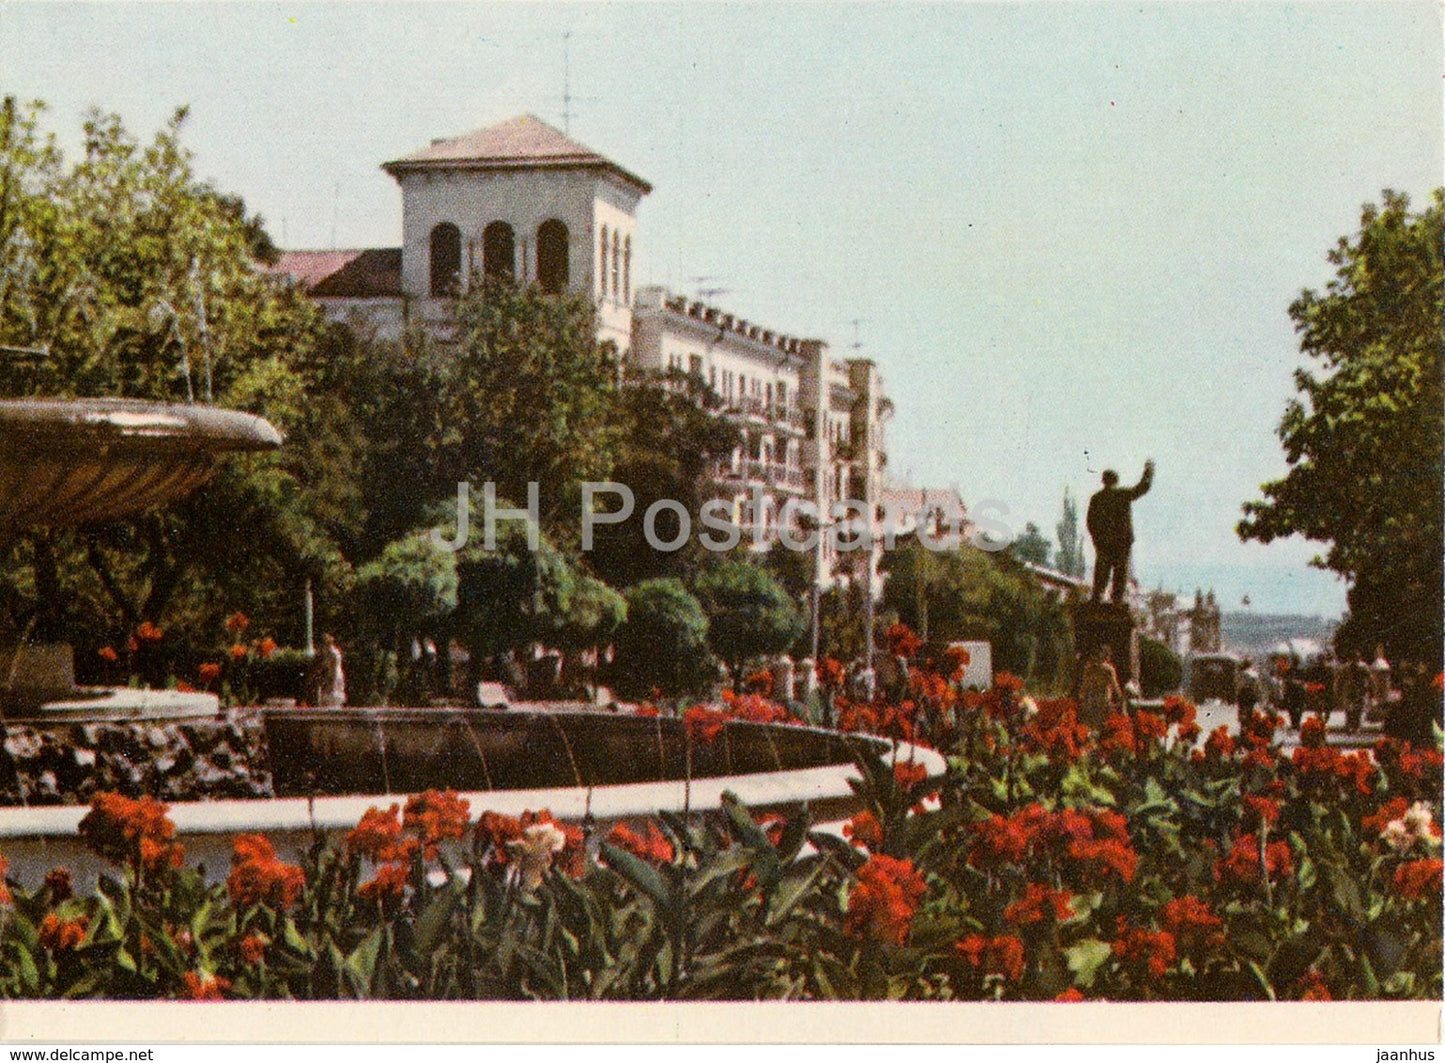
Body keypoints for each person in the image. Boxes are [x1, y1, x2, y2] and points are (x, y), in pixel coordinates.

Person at [1086, 460, 1155, 603]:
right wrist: (1148, 472)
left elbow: (1090, 522)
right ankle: (1115, 602)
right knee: (1119, 576)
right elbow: (1142, 488)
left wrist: (1097, 540)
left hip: (1105, 544)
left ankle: (1096, 599)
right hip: (1120, 544)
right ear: (1115, 481)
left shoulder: (1097, 498)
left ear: (1103, 480)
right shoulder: (1122, 495)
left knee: (1101, 576)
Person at [1078, 643, 1124, 728]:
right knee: (1102, 725)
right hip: (1103, 699)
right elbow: (1115, 686)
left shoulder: (1090, 668)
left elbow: (1084, 686)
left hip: (1092, 699)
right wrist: (1121, 698)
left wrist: (1081, 698)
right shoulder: (1108, 670)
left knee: (1090, 725)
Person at [318, 633, 346, 707]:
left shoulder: (332, 653)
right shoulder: (334, 651)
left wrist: (328, 676)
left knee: (332, 693)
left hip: (335, 674)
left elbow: (332, 666)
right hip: (337, 673)